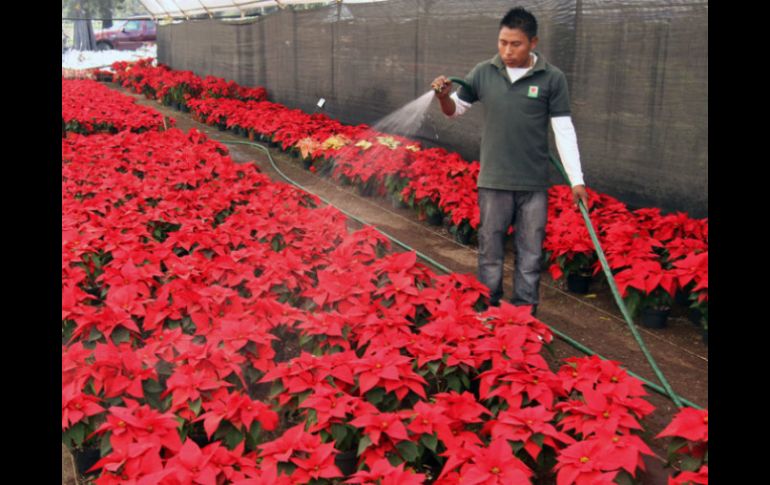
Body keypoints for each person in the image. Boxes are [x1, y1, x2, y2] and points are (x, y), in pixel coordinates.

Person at [432, 6, 588, 315]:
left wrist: (577, 179)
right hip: (494, 181)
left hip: (533, 183)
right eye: (502, 42)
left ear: (533, 42)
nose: (506, 50)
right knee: (490, 250)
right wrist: (442, 97)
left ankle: (524, 313)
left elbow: (563, 129)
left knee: (530, 254)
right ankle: (488, 309)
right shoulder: (484, 72)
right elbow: (455, 111)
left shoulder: (551, 78)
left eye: (515, 44)